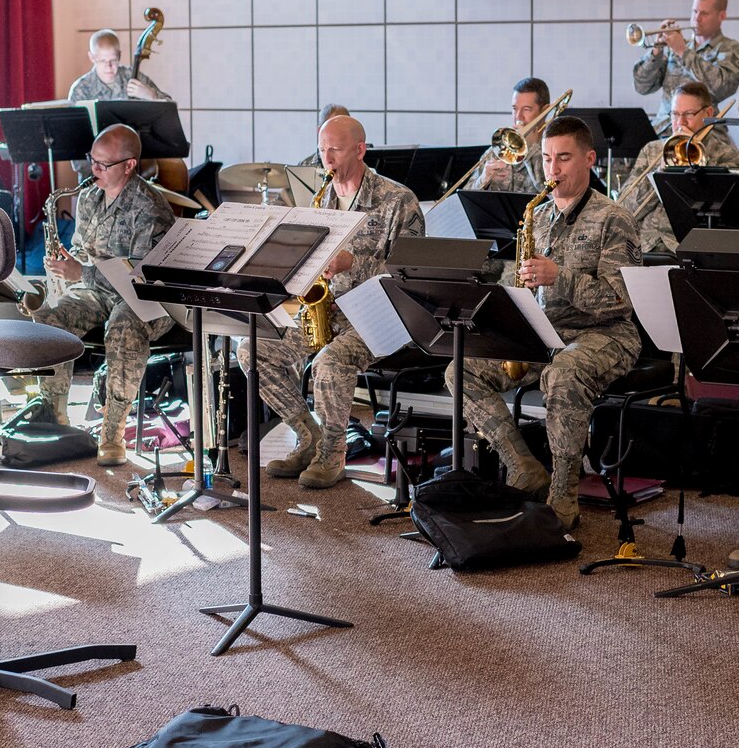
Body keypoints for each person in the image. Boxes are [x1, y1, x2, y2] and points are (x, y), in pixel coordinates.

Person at [447, 117, 640, 529]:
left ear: (589, 159)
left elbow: (620, 300)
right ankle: (522, 465)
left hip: (604, 334)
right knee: (459, 368)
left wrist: (559, 277)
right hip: (544, 332)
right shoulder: (538, 216)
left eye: (564, 158)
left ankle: (564, 492)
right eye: (549, 159)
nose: (553, 170)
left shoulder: (614, 218)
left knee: (564, 373)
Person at [256, 115, 425, 488]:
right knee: (253, 348)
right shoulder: (321, 199)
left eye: (334, 149)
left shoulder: (399, 200)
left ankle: (333, 454)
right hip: (329, 310)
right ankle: (309, 435)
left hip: (382, 316)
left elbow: (411, 274)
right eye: (321, 150)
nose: (326, 158)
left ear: (360, 150)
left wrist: (354, 263)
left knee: (329, 362)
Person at [30, 124, 176, 464]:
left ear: (129, 165)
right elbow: (84, 250)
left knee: (123, 325)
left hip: (147, 301)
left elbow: (140, 279)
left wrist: (82, 272)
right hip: (97, 292)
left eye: (102, 164)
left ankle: (113, 431)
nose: (91, 170)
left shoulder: (150, 207)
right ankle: (54, 414)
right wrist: (68, 262)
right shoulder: (89, 196)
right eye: (91, 160)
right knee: (49, 317)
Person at [618, 82, 739, 253]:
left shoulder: (725, 155)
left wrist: (699, 164)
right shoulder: (652, 150)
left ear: (708, 113)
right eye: (675, 114)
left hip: (690, 248)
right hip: (644, 246)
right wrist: (659, 172)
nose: (680, 123)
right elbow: (625, 210)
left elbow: (734, 213)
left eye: (688, 114)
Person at [632, 0, 739, 124]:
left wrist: (683, 52)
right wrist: (656, 51)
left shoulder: (731, 49)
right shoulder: (674, 48)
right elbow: (642, 87)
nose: (697, 18)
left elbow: (722, 89)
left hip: (704, 134)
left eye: (704, 13)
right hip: (664, 129)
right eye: (694, 11)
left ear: (721, 16)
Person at [464, 78, 551, 193]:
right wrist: (483, 180)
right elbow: (465, 195)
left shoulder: (554, 148)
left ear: (544, 111)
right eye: (515, 109)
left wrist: (531, 149)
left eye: (526, 109)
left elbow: (552, 192)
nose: (518, 117)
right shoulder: (501, 146)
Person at [66, 29, 170, 103]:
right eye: (102, 61)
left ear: (119, 56)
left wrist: (151, 96)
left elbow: (170, 105)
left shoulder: (132, 77)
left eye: (113, 60)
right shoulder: (81, 88)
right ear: (92, 57)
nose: (109, 66)